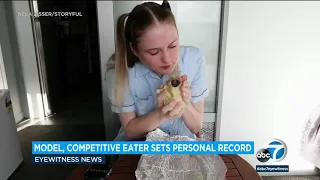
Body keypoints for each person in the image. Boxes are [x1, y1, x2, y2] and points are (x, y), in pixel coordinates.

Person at [106, 0, 209, 141]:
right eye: (154, 52)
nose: (167, 59)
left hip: (182, 146)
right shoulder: (119, 73)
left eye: (173, 46)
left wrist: (183, 103)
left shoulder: (193, 58)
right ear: (134, 49)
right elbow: (130, 130)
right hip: (138, 147)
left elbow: (196, 126)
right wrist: (161, 114)